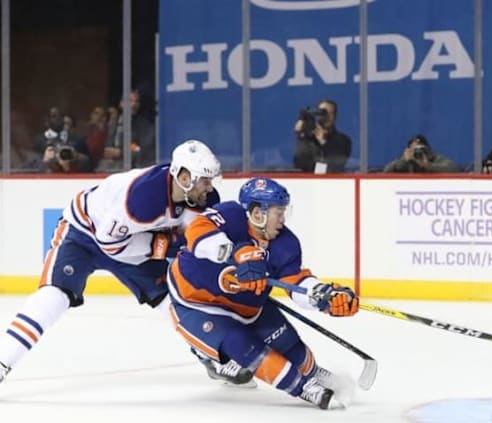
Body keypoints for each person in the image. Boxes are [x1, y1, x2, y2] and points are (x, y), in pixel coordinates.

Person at [0, 139, 252, 386]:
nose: (210, 188)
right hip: (84, 234)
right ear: (184, 178)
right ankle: (3, 361)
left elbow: (201, 237)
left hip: (135, 242)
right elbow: (110, 244)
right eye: (205, 181)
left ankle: (209, 353)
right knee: (54, 296)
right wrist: (164, 245)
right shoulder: (141, 199)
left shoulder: (203, 199)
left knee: (176, 296)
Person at [166, 177, 359, 409]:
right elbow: (197, 230)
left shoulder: (286, 243)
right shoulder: (231, 215)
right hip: (197, 303)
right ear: (258, 213)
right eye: (279, 212)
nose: (283, 219)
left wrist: (322, 297)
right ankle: (304, 388)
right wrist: (238, 252)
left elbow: (295, 282)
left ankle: (313, 372)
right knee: (241, 345)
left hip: (248, 306)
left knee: (287, 342)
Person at [293, 99, 352, 174]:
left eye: (330, 113)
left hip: (331, 182)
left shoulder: (343, 140)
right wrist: (301, 135)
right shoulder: (308, 139)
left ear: (335, 116)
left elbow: (338, 163)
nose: (326, 117)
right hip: (307, 182)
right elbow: (299, 163)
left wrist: (323, 142)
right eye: (322, 113)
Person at [383, 134, 460, 173]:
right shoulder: (407, 162)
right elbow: (386, 172)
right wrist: (403, 160)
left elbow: (454, 169)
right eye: (414, 149)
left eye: (421, 149)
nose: (418, 152)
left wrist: (428, 165)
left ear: (428, 149)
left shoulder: (435, 158)